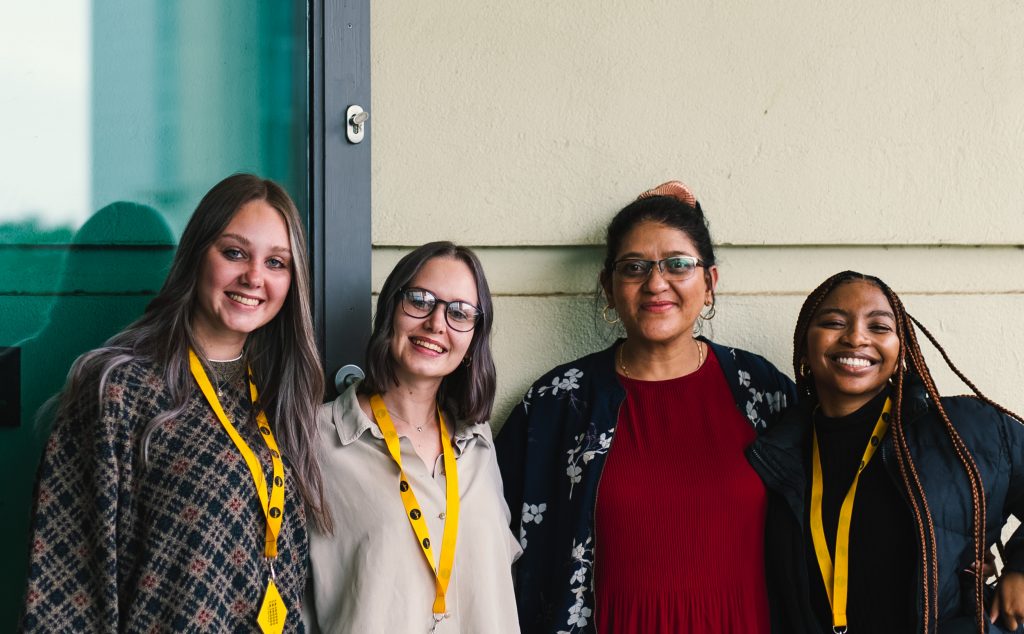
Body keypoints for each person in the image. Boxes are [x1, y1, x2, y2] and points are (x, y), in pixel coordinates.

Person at [21, 174, 327, 633]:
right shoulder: (117, 389)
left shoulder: (281, 397)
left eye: (276, 262)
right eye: (235, 253)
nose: (254, 277)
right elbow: (65, 586)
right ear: (197, 255)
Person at [496, 181, 797, 633]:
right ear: (609, 286)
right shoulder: (559, 402)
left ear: (709, 283)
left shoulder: (760, 390)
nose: (656, 283)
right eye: (634, 267)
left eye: (678, 264)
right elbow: (487, 541)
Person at [747, 270, 1024, 633]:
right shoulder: (773, 450)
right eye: (833, 323)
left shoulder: (966, 430)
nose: (856, 337)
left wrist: (1021, 570)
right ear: (805, 345)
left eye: (879, 327)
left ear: (901, 349)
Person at [305, 241, 520, 633]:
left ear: (473, 340)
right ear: (390, 310)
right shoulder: (317, 440)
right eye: (420, 301)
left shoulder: (479, 442)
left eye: (459, 312)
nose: (437, 323)